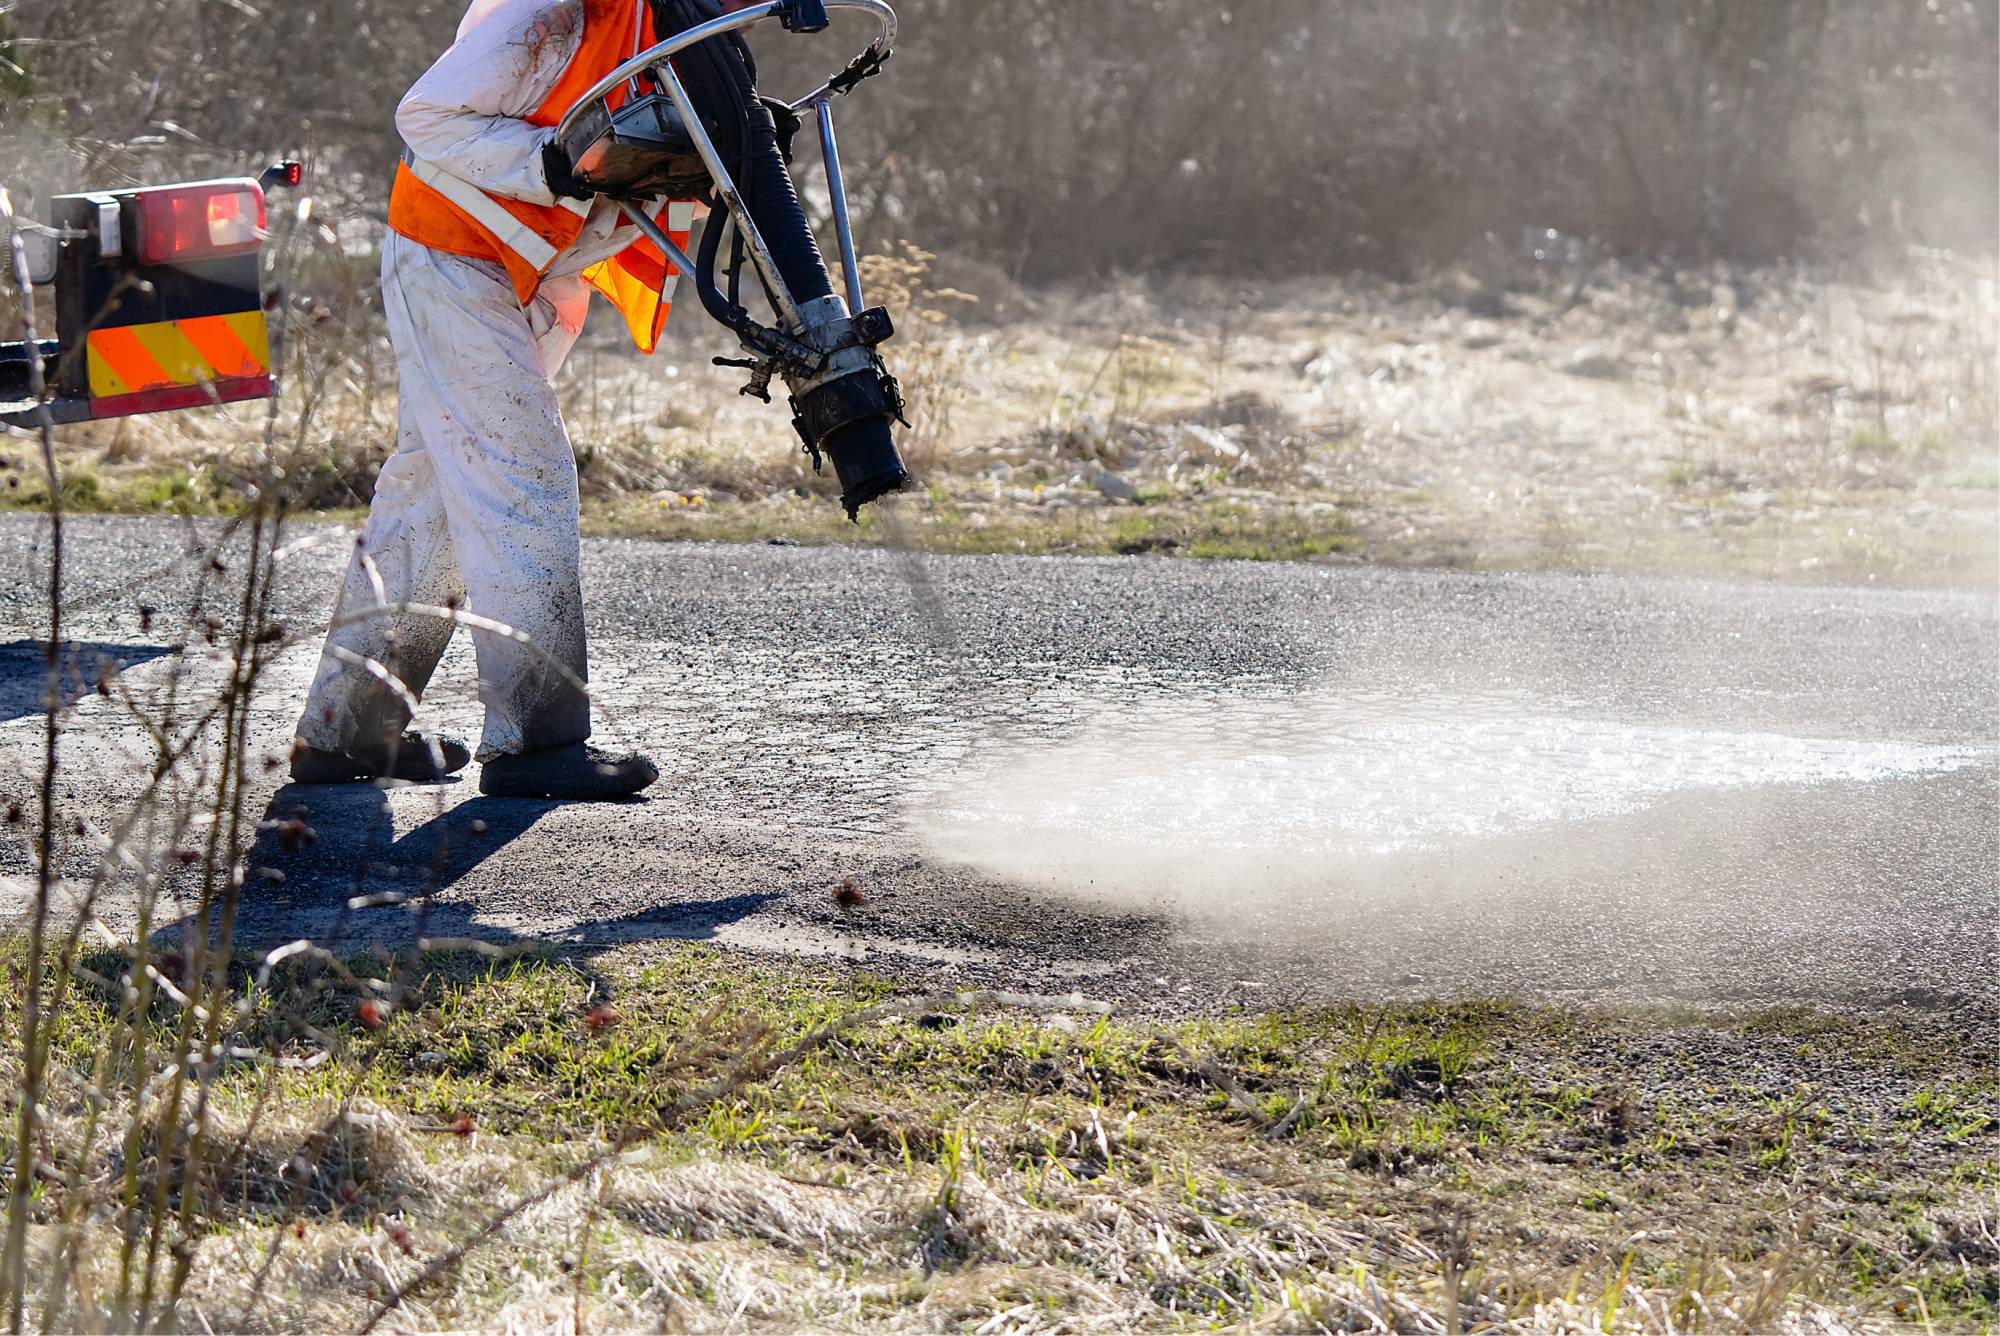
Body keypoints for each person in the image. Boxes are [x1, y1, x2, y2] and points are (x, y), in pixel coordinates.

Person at [290, 0, 738, 799]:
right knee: (521, 472)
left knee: (432, 493)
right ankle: (536, 742)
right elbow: (426, 114)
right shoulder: (564, 11)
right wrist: (550, 163)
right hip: (454, 253)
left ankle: (347, 728)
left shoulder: (686, 35)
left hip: (528, 269)